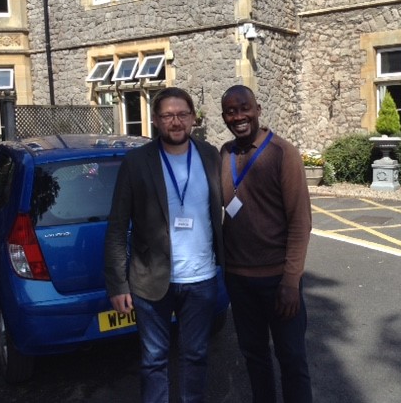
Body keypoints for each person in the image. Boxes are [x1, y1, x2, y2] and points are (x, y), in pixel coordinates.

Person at [104, 87, 224, 403]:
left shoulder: (209, 154)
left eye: (182, 114)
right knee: (154, 360)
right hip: (151, 281)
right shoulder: (136, 162)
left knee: (195, 355)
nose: (176, 122)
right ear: (156, 120)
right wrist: (118, 284)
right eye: (168, 115)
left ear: (193, 118)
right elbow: (117, 227)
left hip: (201, 279)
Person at [220, 85, 313, 403]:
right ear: (224, 117)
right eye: (231, 111)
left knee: (292, 359)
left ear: (258, 109)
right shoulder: (225, 154)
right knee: (254, 357)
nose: (238, 116)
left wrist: (291, 280)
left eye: (244, 108)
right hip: (239, 280)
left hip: (278, 281)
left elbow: (300, 222)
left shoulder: (282, 153)